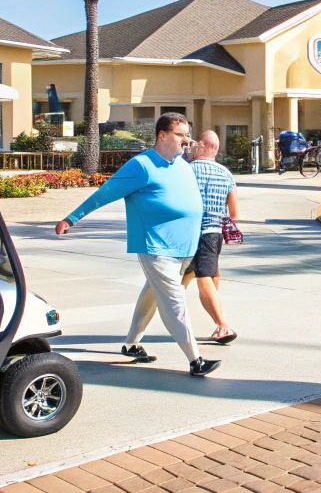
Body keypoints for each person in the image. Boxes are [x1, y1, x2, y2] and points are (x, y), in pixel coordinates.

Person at [55, 112, 222, 376]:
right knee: (174, 302)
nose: (186, 140)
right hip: (156, 247)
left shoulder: (182, 165)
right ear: (162, 135)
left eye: (187, 135)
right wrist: (72, 218)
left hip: (184, 250)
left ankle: (131, 344)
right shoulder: (141, 166)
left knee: (151, 296)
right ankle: (195, 360)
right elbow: (106, 192)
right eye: (180, 135)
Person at [186, 130, 239, 343]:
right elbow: (234, 214)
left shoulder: (187, 170)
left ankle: (222, 325)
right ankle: (188, 318)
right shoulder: (226, 174)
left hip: (194, 233)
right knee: (211, 275)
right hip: (215, 234)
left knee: (203, 278)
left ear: (201, 145)